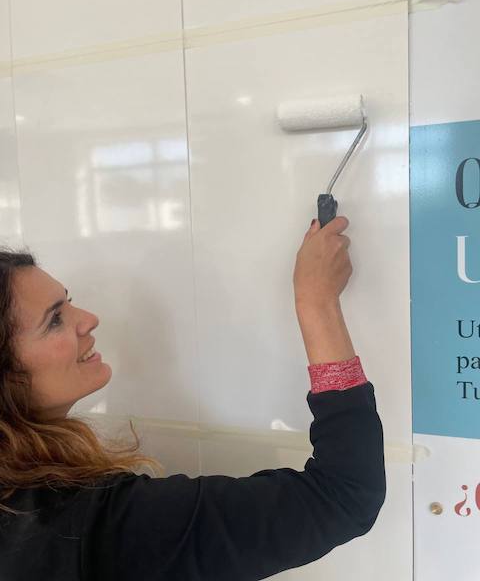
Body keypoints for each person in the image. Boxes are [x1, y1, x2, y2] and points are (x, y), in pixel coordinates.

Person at [0, 215, 385, 580]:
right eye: (55, 319)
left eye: (69, 301)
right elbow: (344, 494)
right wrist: (317, 304)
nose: (88, 318)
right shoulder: (98, 528)